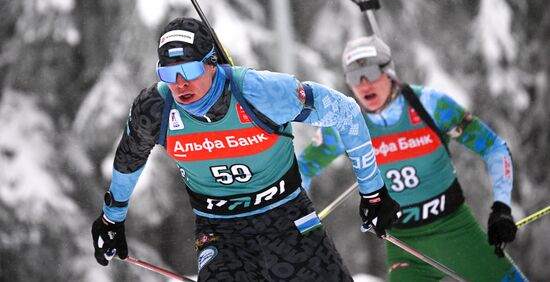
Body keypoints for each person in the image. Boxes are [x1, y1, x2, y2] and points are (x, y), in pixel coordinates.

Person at [91, 17, 401, 282]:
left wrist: (374, 193)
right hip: (219, 232)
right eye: (169, 74)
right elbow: (129, 158)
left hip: (287, 219)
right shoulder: (155, 108)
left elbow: (346, 112)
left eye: (188, 71)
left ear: (212, 64)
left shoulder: (259, 92)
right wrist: (111, 219)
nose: (180, 83)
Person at [298, 35, 528, 281]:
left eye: (371, 72)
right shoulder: (346, 124)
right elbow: (302, 168)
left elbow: (494, 147)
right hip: (404, 246)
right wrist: (297, 220)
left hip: (456, 230)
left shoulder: (430, 105)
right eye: (354, 77)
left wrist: (502, 207)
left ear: (389, 72)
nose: (364, 85)